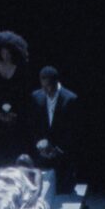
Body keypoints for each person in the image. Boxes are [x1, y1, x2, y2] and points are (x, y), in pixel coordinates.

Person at [29, 65, 80, 194]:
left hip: (62, 152)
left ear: (56, 82)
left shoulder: (70, 99)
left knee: (64, 190)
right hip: (43, 153)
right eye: (43, 86)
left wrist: (57, 149)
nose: (47, 90)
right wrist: (40, 143)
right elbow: (34, 124)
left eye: (49, 86)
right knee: (44, 189)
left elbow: (73, 130)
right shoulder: (36, 97)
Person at [0, 30, 31, 164]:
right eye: (3, 52)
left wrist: (14, 114)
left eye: (8, 52)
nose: (6, 55)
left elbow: (25, 95)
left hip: (17, 121)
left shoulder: (21, 68)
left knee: (16, 152)